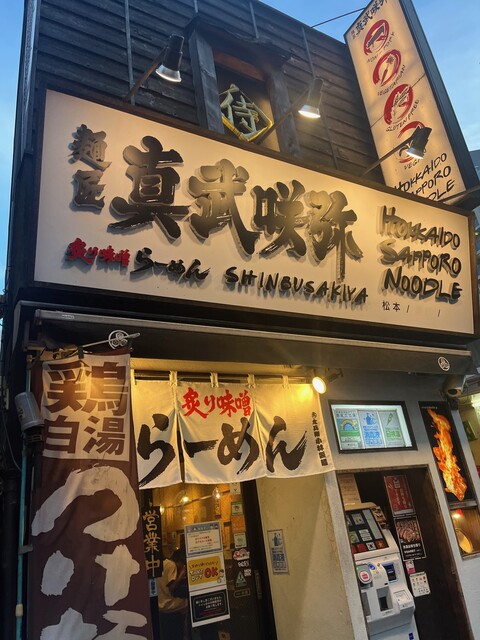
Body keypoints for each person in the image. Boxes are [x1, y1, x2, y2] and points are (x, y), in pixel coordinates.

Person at [157, 549, 189, 639]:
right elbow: (172, 588)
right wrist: (181, 574)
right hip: (172, 607)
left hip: (161, 607)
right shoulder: (171, 565)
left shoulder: (159, 564)